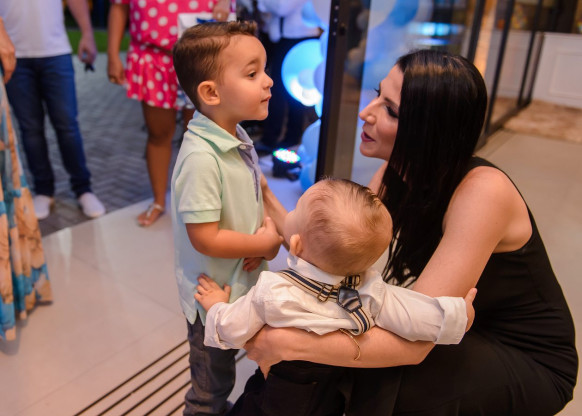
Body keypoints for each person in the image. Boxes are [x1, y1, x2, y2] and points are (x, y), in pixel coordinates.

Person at [250, 49, 578, 415]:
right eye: (378, 95)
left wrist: (288, 342)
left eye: (390, 110)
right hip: (459, 327)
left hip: (524, 356)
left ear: (429, 130)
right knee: (322, 354)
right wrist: (261, 192)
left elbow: (418, 340)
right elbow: (336, 251)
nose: (366, 112)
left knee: (372, 382)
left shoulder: (483, 192)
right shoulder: (395, 171)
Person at [196, 177, 477, 416]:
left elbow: (231, 329)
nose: (290, 213)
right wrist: (456, 315)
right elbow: (414, 315)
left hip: (279, 393)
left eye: (296, 208)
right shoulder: (370, 290)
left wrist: (217, 304)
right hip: (332, 389)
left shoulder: (273, 291)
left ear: (295, 244)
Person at [171, 21, 283, 415]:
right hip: (210, 299)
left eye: (264, 69)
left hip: (237, 283)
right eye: (252, 74)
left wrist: (258, 243)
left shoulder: (234, 135)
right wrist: (262, 243)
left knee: (235, 367)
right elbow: (204, 237)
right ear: (211, 93)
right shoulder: (201, 158)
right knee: (211, 387)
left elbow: (246, 198)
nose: (268, 81)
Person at [107, 0, 235, 227]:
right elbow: (119, 5)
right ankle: (159, 202)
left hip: (201, 59)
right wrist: (112, 54)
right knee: (158, 134)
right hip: (151, 57)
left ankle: (206, 204)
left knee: (203, 137)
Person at [0, 0, 106, 220]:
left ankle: (83, 189)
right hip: (14, 55)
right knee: (30, 130)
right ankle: (43, 191)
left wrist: (87, 33)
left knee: (67, 125)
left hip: (55, 52)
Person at [253, 0, 320, 154]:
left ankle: (279, 139)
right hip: (289, 35)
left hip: (298, 35)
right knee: (284, 89)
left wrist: (263, 3)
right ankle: (283, 138)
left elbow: (282, 7)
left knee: (284, 90)